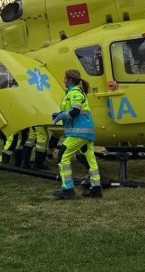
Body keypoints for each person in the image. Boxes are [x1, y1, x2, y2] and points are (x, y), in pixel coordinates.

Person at [52, 69, 101, 199]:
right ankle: (96, 189)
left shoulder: (74, 93)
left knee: (63, 155)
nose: (63, 81)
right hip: (84, 132)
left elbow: (75, 111)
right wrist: (60, 114)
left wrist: (61, 115)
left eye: (65, 78)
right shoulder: (74, 93)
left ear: (69, 80)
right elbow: (73, 110)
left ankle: (67, 189)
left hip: (78, 132)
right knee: (90, 160)